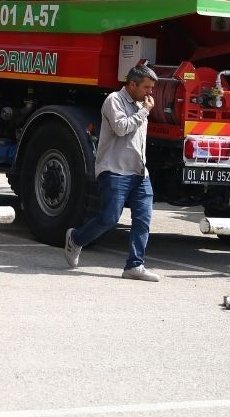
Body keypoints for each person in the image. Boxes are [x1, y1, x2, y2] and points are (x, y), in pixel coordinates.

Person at [64, 64, 161, 281]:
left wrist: (143, 110)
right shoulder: (114, 100)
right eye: (146, 87)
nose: (150, 92)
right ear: (132, 84)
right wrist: (144, 112)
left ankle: (134, 265)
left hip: (139, 172)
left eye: (151, 88)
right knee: (109, 218)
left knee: (143, 219)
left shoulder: (141, 104)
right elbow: (121, 128)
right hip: (115, 170)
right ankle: (76, 238)